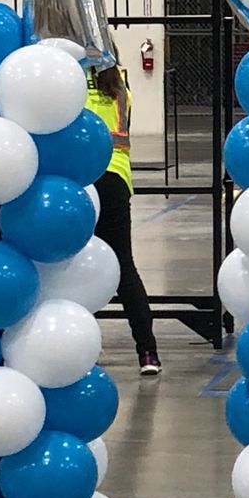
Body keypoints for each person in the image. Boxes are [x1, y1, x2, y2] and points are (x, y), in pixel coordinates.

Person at [86, 64, 161, 377]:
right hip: (117, 177)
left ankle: (78, 346)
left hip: (80, 182)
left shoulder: (70, 79)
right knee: (124, 267)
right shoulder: (119, 84)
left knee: (64, 267)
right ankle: (147, 352)